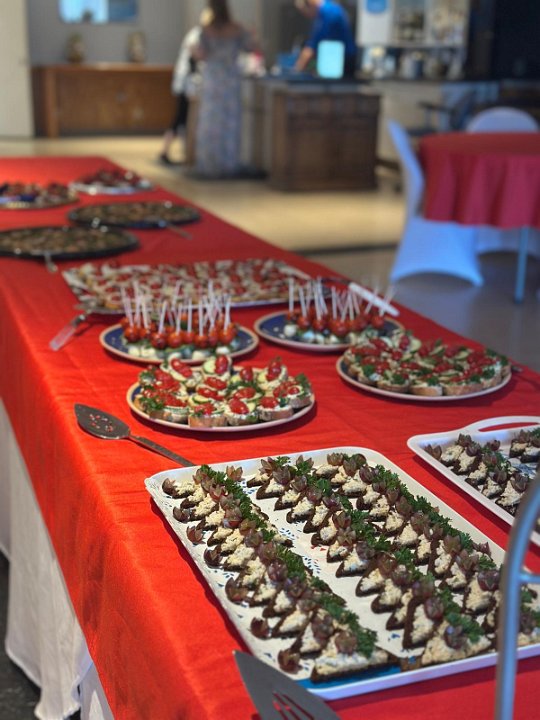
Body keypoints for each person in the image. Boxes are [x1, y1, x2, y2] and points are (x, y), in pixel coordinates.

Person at [191, 0, 257, 178]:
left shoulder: (206, 30)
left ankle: (209, 164)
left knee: (211, 123)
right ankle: (228, 164)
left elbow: (200, 54)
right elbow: (251, 47)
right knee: (230, 123)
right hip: (230, 80)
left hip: (213, 80)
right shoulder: (237, 29)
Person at [158, 24, 202, 166]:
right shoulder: (197, 34)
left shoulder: (197, 34)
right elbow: (193, 52)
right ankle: (165, 151)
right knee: (180, 119)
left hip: (187, 83)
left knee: (182, 120)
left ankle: (186, 153)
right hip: (186, 84)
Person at [294, 0, 357, 78]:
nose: (307, 16)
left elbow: (312, 47)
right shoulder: (329, 8)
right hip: (337, 60)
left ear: (310, 4)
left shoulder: (328, 13)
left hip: (343, 62)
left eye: (305, 12)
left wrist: (297, 69)